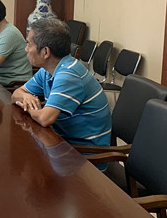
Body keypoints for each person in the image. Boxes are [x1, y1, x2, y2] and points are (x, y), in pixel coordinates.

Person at [11, 18, 112, 148]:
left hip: (84, 153)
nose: (26, 49)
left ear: (45, 52)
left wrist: (29, 108)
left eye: (29, 44)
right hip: (61, 140)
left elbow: (45, 119)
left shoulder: (69, 75)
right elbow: (16, 94)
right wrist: (26, 96)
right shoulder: (48, 70)